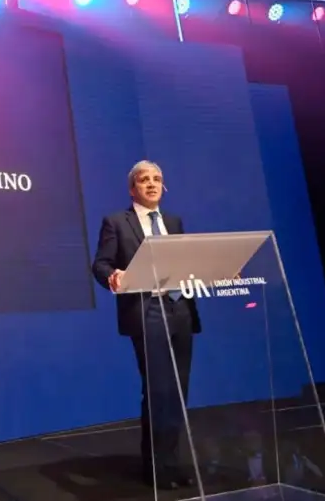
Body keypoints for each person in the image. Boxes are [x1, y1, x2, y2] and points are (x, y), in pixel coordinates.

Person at [91, 160, 202, 490]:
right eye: (144, 180)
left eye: (157, 179)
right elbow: (101, 264)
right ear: (132, 189)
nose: (152, 184)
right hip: (146, 309)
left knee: (178, 391)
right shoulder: (116, 222)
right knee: (158, 390)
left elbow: (186, 262)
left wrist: (218, 268)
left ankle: (172, 463)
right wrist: (113, 275)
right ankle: (156, 469)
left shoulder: (173, 221)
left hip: (180, 308)